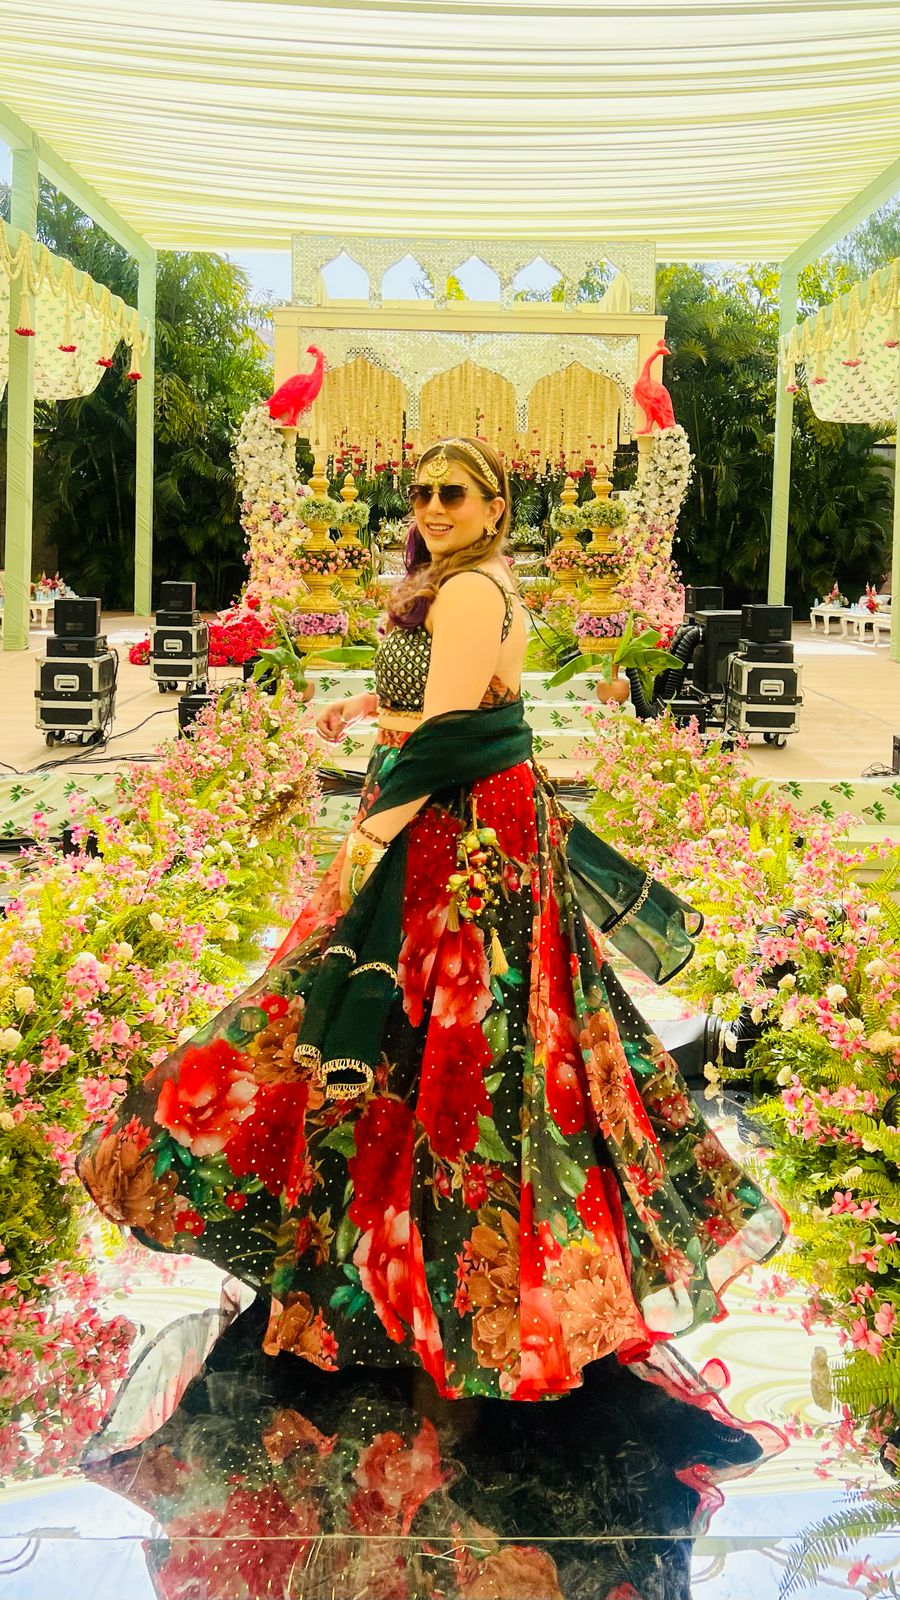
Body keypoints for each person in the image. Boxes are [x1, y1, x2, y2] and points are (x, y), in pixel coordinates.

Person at [79, 436, 785, 1409]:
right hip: (462, 816)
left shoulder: (469, 589)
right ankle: (423, 1282)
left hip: (454, 832)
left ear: (497, 505)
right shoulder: (457, 583)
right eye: (421, 492)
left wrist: (371, 830)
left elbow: (451, 729)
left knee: (448, 1047)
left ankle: (457, 1297)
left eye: (454, 492)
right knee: (440, 1049)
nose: (433, 507)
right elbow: (446, 697)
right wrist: (375, 703)